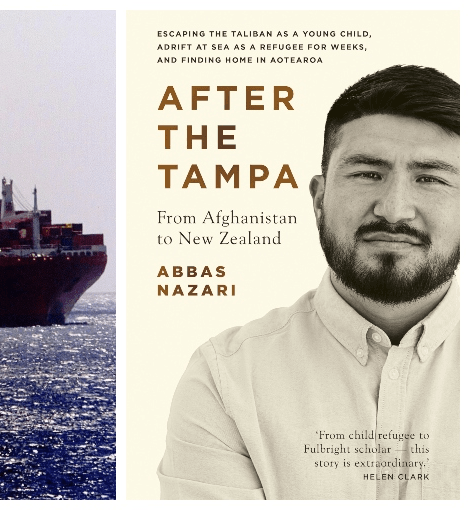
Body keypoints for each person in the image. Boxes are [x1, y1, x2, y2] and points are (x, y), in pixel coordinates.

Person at [157, 65, 459, 500]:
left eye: (430, 178)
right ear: (319, 200)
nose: (394, 211)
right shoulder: (225, 379)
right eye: (367, 173)